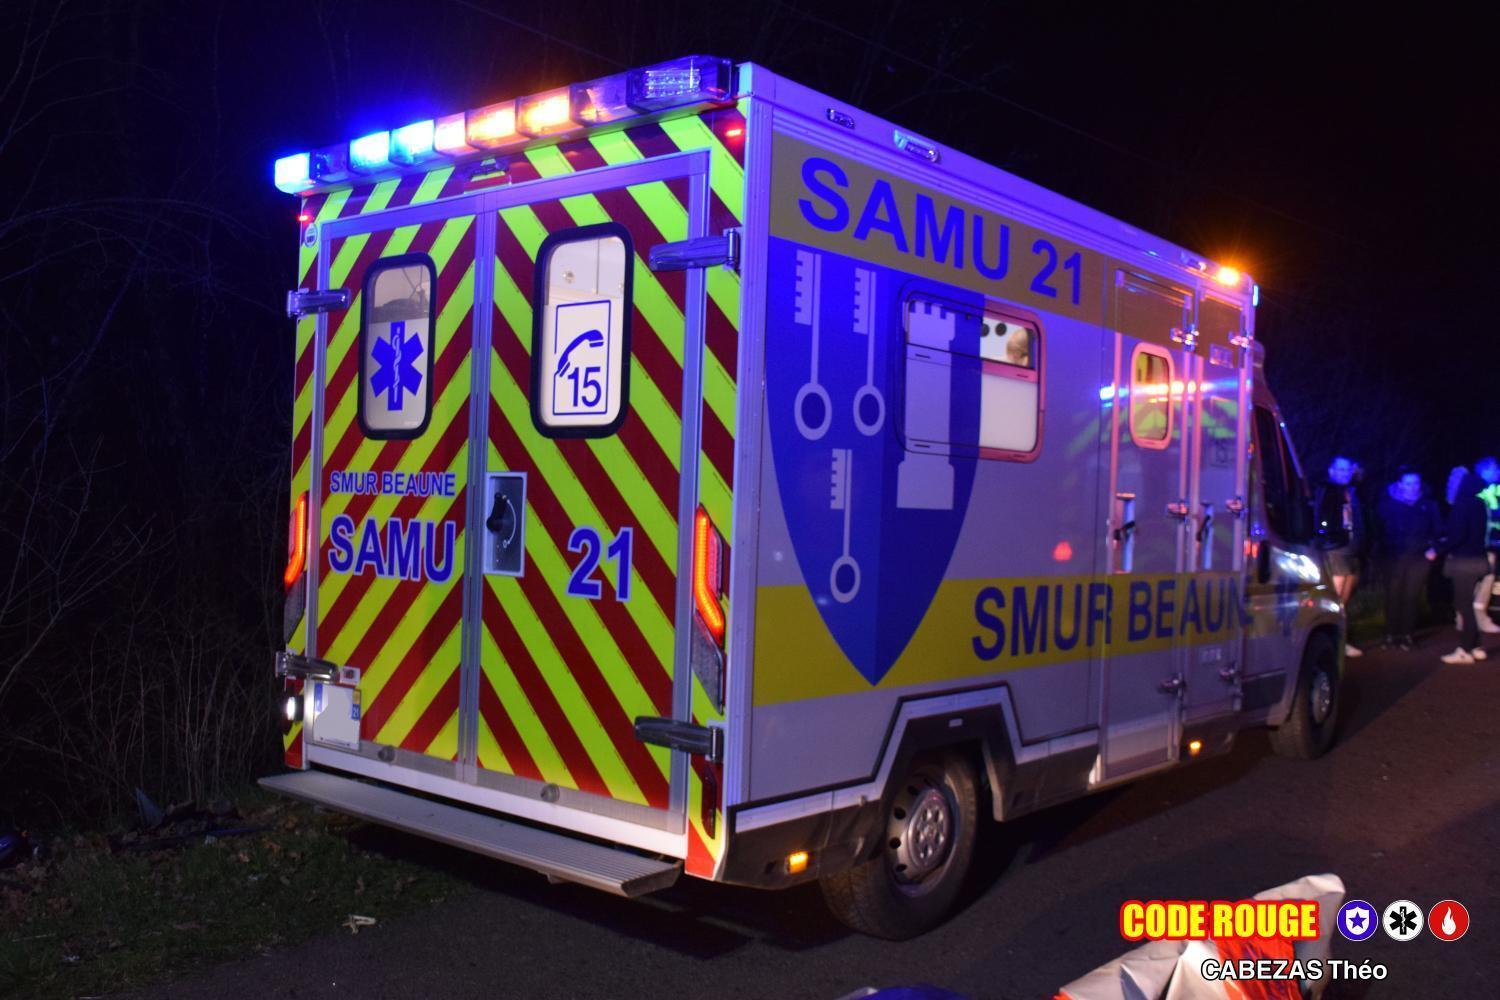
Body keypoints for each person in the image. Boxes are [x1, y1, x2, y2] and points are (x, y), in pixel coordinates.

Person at [1375, 467, 1441, 650]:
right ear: (1400, 484)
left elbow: (1439, 529)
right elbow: (1377, 529)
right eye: (1408, 483)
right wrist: (1379, 552)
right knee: (1393, 595)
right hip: (1393, 557)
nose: (1412, 487)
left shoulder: (1429, 504)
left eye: (1415, 483)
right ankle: (1390, 635)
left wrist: (1434, 549)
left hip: (1419, 557)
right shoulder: (1387, 505)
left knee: (1411, 597)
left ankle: (1407, 635)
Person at [1432, 466, 1492, 664]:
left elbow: (1457, 535)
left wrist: (1437, 549)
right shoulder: (1480, 503)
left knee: (1463, 605)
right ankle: (1475, 645)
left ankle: (1466, 649)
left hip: (1464, 562)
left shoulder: (1462, 504)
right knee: (1468, 605)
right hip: (1479, 560)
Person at [1315, 455, 1367, 657]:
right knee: (1335, 598)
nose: (1345, 474)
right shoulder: (1327, 490)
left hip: (1352, 548)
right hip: (1336, 548)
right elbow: (1322, 519)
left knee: (1344, 600)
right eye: (1341, 469)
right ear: (1331, 471)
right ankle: (1333, 643)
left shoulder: (1351, 491)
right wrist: (1331, 537)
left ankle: (1341, 640)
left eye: (1348, 470)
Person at [1471, 456, 1500, 632]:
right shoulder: (1480, 491)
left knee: (1484, 579)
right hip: (1482, 544)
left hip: (1489, 543)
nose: (1498, 471)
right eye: (1495, 468)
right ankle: (1477, 617)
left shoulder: (1494, 488)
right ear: (1485, 470)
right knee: (1485, 578)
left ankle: (1469, 617)